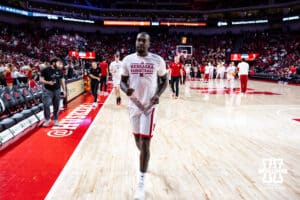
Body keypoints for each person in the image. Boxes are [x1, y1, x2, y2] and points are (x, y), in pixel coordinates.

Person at [120, 32, 168, 200]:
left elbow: (165, 81)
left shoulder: (158, 60)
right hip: (134, 105)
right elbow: (122, 81)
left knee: (145, 142)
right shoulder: (127, 60)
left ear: (148, 43)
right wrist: (126, 90)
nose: (140, 43)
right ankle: (145, 158)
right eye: (138, 40)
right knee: (138, 142)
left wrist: (158, 95)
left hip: (149, 107)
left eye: (143, 40)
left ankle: (141, 183)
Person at [40, 57, 66, 127]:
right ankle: (47, 119)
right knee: (46, 104)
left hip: (57, 90)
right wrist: (48, 82)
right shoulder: (45, 70)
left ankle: (56, 120)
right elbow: (41, 80)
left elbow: (62, 81)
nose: (59, 64)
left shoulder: (60, 71)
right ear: (53, 63)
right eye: (58, 63)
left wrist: (64, 90)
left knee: (57, 106)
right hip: (47, 90)